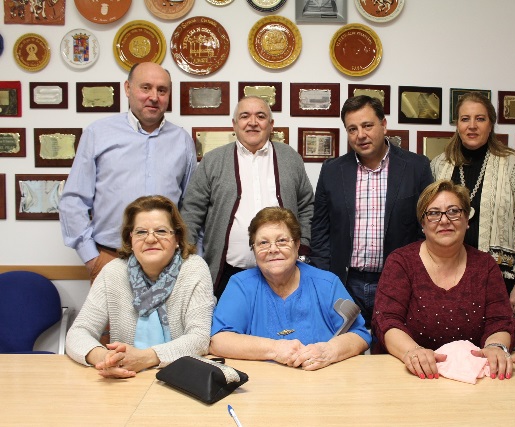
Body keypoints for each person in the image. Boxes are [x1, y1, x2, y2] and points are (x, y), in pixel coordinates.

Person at [372, 180, 515, 381]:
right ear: (423, 224)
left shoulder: (485, 265)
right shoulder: (401, 262)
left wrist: (495, 347)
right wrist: (413, 352)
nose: (444, 220)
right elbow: (386, 321)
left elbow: (501, 321)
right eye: (434, 213)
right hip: (410, 375)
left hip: (472, 377)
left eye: (453, 211)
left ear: (467, 219)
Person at [59, 62, 196, 283]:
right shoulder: (98, 133)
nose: (154, 96)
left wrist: (187, 253)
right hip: (111, 259)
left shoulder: (182, 141)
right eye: (146, 87)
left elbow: (190, 205)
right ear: (127, 89)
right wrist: (92, 258)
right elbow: (73, 200)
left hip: (167, 263)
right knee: (113, 320)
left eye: (162, 90)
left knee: (169, 320)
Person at [311, 95, 433, 327]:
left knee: (391, 350)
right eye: (352, 129)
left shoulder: (417, 167)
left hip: (397, 281)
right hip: (345, 282)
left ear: (383, 125)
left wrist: (417, 275)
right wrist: (325, 279)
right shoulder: (332, 171)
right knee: (344, 352)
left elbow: (425, 228)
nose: (361, 135)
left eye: (367, 125)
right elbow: (320, 231)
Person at [66, 196, 215, 379]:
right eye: (141, 232)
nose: (150, 239)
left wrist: (145, 358)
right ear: (130, 239)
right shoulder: (112, 272)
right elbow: (78, 332)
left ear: (177, 238)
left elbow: (199, 339)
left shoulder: (194, 269)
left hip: (182, 377)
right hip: (124, 379)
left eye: (161, 231)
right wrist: (106, 358)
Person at [180, 96, 314, 299]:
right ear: (234, 124)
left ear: (271, 125)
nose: (252, 122)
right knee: (228, 329)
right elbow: (191, 212)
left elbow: (306, 206)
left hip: (284, 270)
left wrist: (302, 246)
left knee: (281, 328)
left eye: (260, 116)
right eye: (245, 116)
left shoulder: (290, 158)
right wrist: (187, 259)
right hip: (228, 272)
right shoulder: (212, 160)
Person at [210, 207, 370, 371]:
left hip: (323, 383)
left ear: (297, 244)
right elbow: (218, 341)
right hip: (261, 387)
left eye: (282, 241)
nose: (273, 249)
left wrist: (327, 352)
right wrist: (275, 349)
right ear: (254, 249)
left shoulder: (327, 284)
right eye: (263, 243)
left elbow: (360, 335)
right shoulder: (241, 286)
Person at [431, 92, 515, 315]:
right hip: (445, 276)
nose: (472, 126)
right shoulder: (439, 166)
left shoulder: (512, 165)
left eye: (480, 119)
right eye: (465, 119)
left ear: (491, 124)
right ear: (457, 124)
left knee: (494, 343)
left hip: (499, 280)